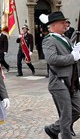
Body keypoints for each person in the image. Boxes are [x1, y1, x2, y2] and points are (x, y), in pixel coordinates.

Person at [40, 11, 80, 139]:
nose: (65, 25)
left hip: (71, 81)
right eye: (62, 23)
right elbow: (52, 59)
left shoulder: (67, 39)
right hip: (58, 81)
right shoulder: (48, 40)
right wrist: (72, 57)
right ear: (53, 25)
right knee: (66, 115)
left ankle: (53, 129)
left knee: (78, 109)